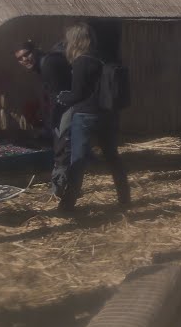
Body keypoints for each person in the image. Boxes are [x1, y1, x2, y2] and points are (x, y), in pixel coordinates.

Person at [56, 23, 130, 210]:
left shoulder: (82, 61)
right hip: (108, 114)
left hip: (86, 116)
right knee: (113, 157)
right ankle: (125, 198)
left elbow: (78, 94)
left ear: (75, 40)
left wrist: (62, 97)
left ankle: (68, 204)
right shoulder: (103, 58)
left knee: (78, 161)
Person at [15, 40, 71, 136]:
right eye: (20, 58)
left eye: (27, 54)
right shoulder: (41, 67)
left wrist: (52, 124)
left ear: (35, 51)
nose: (24, 59)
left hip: (68, 118)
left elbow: (58, 96)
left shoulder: (48, 63)